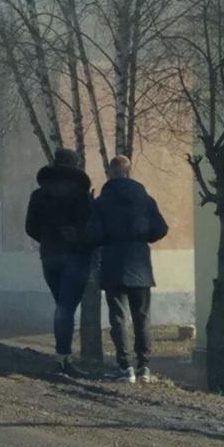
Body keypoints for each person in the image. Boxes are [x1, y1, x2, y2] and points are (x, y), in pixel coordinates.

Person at [88, 155, 168, 383]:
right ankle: (144, 366)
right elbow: (161, 228)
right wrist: (143, 239)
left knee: (119, 317)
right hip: (140, 264)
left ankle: (125, 367)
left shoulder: (102, 202)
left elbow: (93, 234)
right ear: (128, 172)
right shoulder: (145, 199)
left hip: (113, 263)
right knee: (142, 317)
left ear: (110, 173)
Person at [24, 147, 93, 376]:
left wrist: (46, 239)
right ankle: (64, 358)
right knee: (67, 307)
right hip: (74, 256)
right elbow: (88, 228)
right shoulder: (80, 195)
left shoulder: (38, 194)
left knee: (61, 306)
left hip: (49, 256)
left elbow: (30, 227)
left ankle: (62, 356)